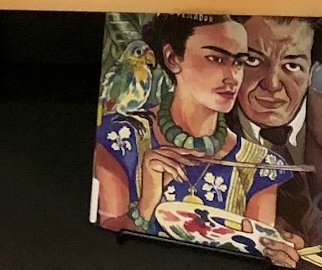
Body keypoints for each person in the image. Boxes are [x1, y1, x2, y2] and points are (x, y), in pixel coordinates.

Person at [94, 16, 298, 264]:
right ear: (172, 58)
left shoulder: (258, 165)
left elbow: (253, 254)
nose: (232, 77)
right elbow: (101, 252)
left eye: (239, 62)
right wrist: (147, 202)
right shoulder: (120, 139)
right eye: (216, 59)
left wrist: (276, 256)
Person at [231, 17, 322, 261]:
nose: (272, 84)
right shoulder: (201, 130)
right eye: (253, 61)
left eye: (292, 66)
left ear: (312, 70)